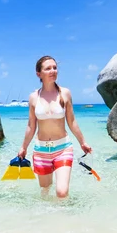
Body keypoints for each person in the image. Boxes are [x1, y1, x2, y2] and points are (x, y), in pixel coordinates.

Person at [17, 56, 92, 198]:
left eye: (55, 67)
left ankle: (66, 219)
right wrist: (23, 147)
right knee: (45, 192)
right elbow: (31, 126)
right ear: (39, 74)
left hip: (63, 148)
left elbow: (72, 121)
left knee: (61, 192)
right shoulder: (34, 97)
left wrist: (83, 142)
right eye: (48, 68)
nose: (53, 70)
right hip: (41, 150)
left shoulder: (65, 93)